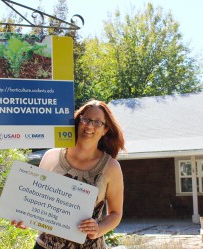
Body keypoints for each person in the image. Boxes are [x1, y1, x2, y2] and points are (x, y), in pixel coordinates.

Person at [11, 99, 125, 249]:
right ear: (78, 122)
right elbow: (34, 201)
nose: (90, 125)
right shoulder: (50, 156)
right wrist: (23, 218)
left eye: (97, 122)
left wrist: (98, 229)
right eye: (86, 119)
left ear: (105, 130)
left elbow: (115, 214)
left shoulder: (111, 167)